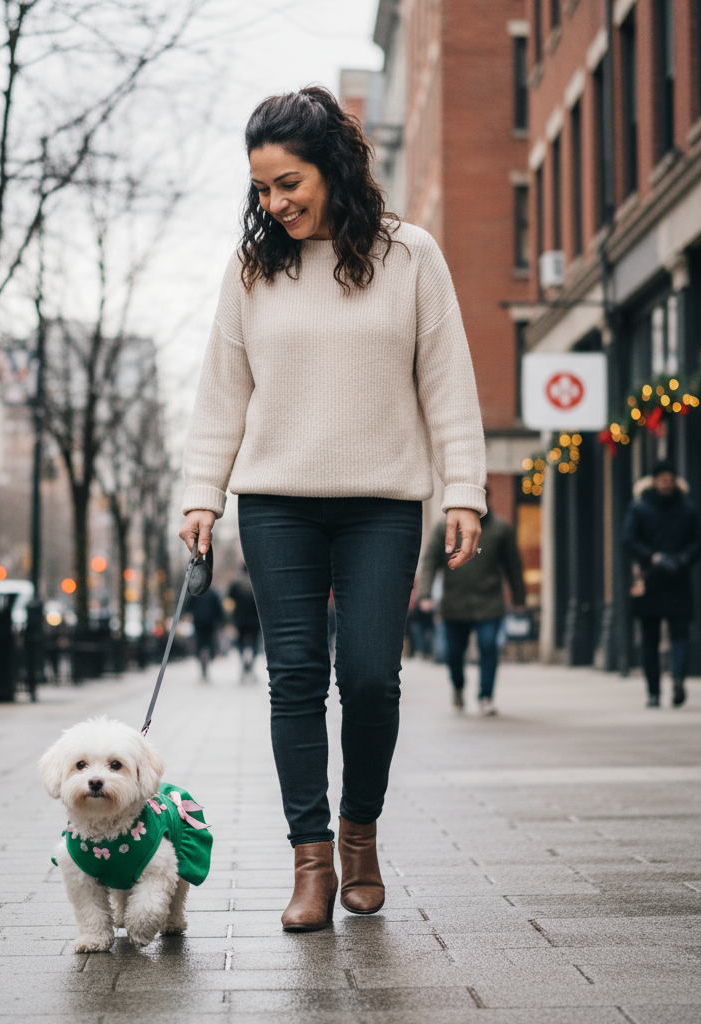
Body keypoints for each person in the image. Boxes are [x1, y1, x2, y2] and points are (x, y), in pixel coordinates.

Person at [178, 87, 486, 932]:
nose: (275, 203)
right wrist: (202, 496)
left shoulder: (411, 256)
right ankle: (310, 861)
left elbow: (448, 387)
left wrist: (464, 491)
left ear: (333, 168)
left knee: (373, 680)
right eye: (263, 190)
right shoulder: (253, 274)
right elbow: (221, 397)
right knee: (296, 680)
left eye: (289, 182)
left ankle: (360, 837)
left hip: (383, 503)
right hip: (276, 502)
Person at [418, 503, 526, 716]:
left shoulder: (499, 528)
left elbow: (513, 565)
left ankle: (486, 696)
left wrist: (519, 597)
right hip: (454, 603)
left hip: (489, 603)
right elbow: (430, 560)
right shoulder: (445, 528)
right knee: (453, 653)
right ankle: (458, 686)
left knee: (488, 647)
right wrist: (425, 594)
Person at [623, 459, 701, 708]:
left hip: (677, 578)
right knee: (650, 639)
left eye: (670, 479)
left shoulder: (688, 510)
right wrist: (653, 557)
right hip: (651, 580)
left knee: (679, 634)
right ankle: (654, 691)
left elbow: (699, 541)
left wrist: (684, 558)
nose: (666, 484)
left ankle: (677, 678)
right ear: (654, 481)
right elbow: (629, 540)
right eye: (662, 479)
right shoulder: (639, 508)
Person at [228, 565, 261, 679]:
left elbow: (229, 599)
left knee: (240, 644)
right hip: (255, 619)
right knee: (255, 644)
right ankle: (251, 666)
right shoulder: (256, 582)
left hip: (240, 620)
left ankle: (243, 664)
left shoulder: (236, 584)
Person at [187, 586, 224, 681]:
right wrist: (221, 621)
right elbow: (219, 609)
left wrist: (191, 614)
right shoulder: (213, 594)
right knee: (209, 643)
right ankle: (208, 658)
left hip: (198, 623)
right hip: (210, 624)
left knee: (200, 643)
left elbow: (188, 607)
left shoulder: (196, 592)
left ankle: (201, 661)